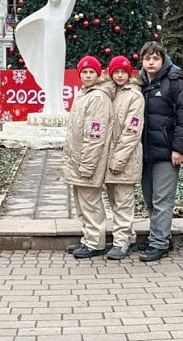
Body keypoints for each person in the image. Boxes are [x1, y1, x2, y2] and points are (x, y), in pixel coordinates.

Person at [14, 0, 83, 115]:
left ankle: (58, 107)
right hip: (47, 47)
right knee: (48, 75)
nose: (55, 0)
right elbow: (24, 26)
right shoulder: (43, 13)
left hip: (59, 46)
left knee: (58, 76)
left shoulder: (63, 11)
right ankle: (48, 107)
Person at [137, 41, 183, 262]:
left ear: (163, 59)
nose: (151, 62)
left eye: (155, 58)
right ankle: (160, 237)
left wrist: (178, 148)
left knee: (162, 200)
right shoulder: (138, 83)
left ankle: (159, 244)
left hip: (167, 154)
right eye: (147, 58)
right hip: (144, 152)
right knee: (149, 199)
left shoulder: (175, 82)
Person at [61, 56, 114, 259]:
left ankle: (96, 242)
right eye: (84, 72)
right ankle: (88, 238)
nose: (88, 75)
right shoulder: (83, 94)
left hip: (88, 160)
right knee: (81, 202)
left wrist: (88, 163)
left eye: (92, 72)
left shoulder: (98, 97)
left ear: (98, 74)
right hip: (77, 159)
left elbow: (95, 134)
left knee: (90, 203)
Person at [103, 55, 144, 261]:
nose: (120, 75)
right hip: (107, 159)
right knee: (113, 201)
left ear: (129, 74)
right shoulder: (107, 93)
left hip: (125, 159)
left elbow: (132, 130)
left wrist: (118, 159)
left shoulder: (134, 96)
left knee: (123, 202)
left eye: (123, 72)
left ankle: (121, 243)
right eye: (116, 72)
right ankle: (128, 236)